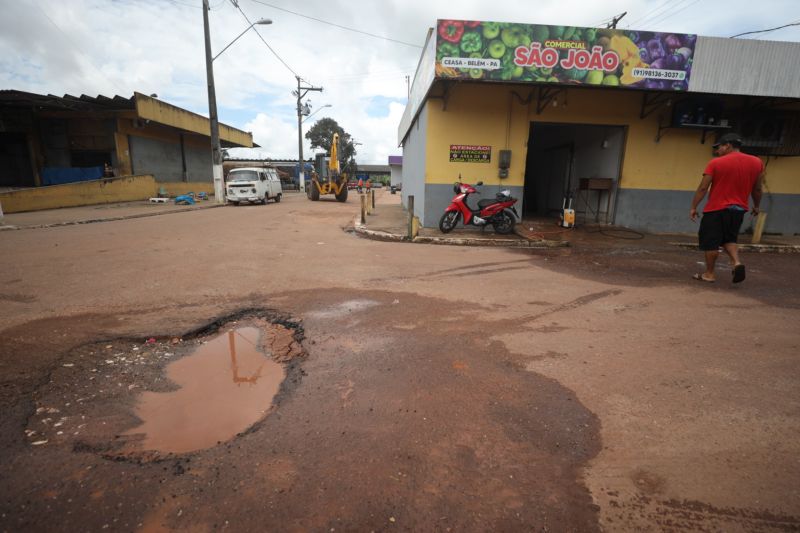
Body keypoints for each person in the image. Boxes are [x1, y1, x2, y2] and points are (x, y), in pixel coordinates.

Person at [689, 133, 763, 283]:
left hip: (716, 209)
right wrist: (756, 206)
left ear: (728, 145)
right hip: (739, 210)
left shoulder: (716, 163)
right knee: (729, 238)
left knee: (711, 242)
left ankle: (709, 274)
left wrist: (693, 206)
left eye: (719, 147)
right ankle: (737, 263)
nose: (717, 151)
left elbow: (703, 187)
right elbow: (757, 189)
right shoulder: (757, 162)